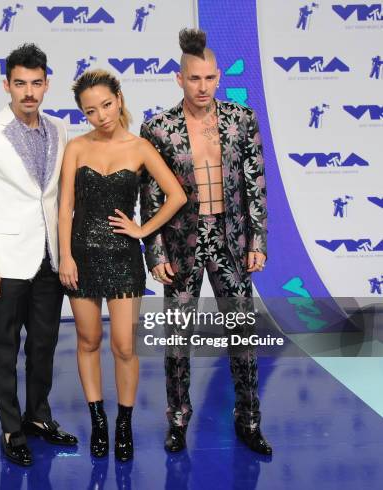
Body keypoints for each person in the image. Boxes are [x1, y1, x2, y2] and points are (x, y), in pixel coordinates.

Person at [140, 28, 272, 455]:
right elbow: (152, 197)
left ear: (219, 77)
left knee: (242, 336)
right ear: (180, 79)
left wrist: (259, 242)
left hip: (231, 242)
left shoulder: (241, 119)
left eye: (210, 78)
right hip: (181, 246)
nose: (203, 87)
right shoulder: (158, 128)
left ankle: (248, 420)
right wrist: (155, 252)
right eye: (194, 79)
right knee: (177, 339)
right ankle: (178, 420)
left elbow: (255, 185)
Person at [0, 43, 77, 467]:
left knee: (44, 344)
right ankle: (11, 427)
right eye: (20, 84)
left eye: (37, 83)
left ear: (47, 84)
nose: (29, 92)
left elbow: (60, 197)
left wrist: (65, 252)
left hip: (49, 258)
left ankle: (38, 417)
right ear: (6, 84)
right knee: (4, 348)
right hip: (5, 262)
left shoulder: (62, 130)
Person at [58, 69, 186, 461]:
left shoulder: (140, 147)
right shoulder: (76, 147)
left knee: (125, 346)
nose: (101, 115)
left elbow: (177, 195)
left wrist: (142, 229)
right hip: (80, 255)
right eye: (91, 110)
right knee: (88, 341)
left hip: (123, 258)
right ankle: (98, 421)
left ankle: (123, 424)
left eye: (107, 105)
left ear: (119, 98)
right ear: (83, 113)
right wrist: (65, 255)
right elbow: (65, 207)